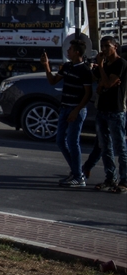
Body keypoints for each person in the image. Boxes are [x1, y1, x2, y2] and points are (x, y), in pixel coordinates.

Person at [42, 37, 93, 187]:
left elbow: (88, 94)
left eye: (70, 50)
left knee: (72, 142)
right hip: (64, 108)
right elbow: (52, 81)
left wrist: (76, 111)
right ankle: (76, 171)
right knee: (60, 141)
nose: (67, 52)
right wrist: (46, 65)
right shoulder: (67, 67)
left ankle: (78, 177)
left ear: (77, 52)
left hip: (76, 110)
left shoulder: (84, 70)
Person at [90, 37, 126, 192]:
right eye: (102, 46)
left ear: (115, 47)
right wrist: (96, 68)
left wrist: (102, 68)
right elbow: (97, 81)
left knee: (120, 147)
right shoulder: (103, 66)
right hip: (102, 109)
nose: (103, 49)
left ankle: (124, 180)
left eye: (107, 46)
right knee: (105, 147)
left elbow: (107, 83)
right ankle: (110, 178)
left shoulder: (120, 64)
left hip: (115, 111)